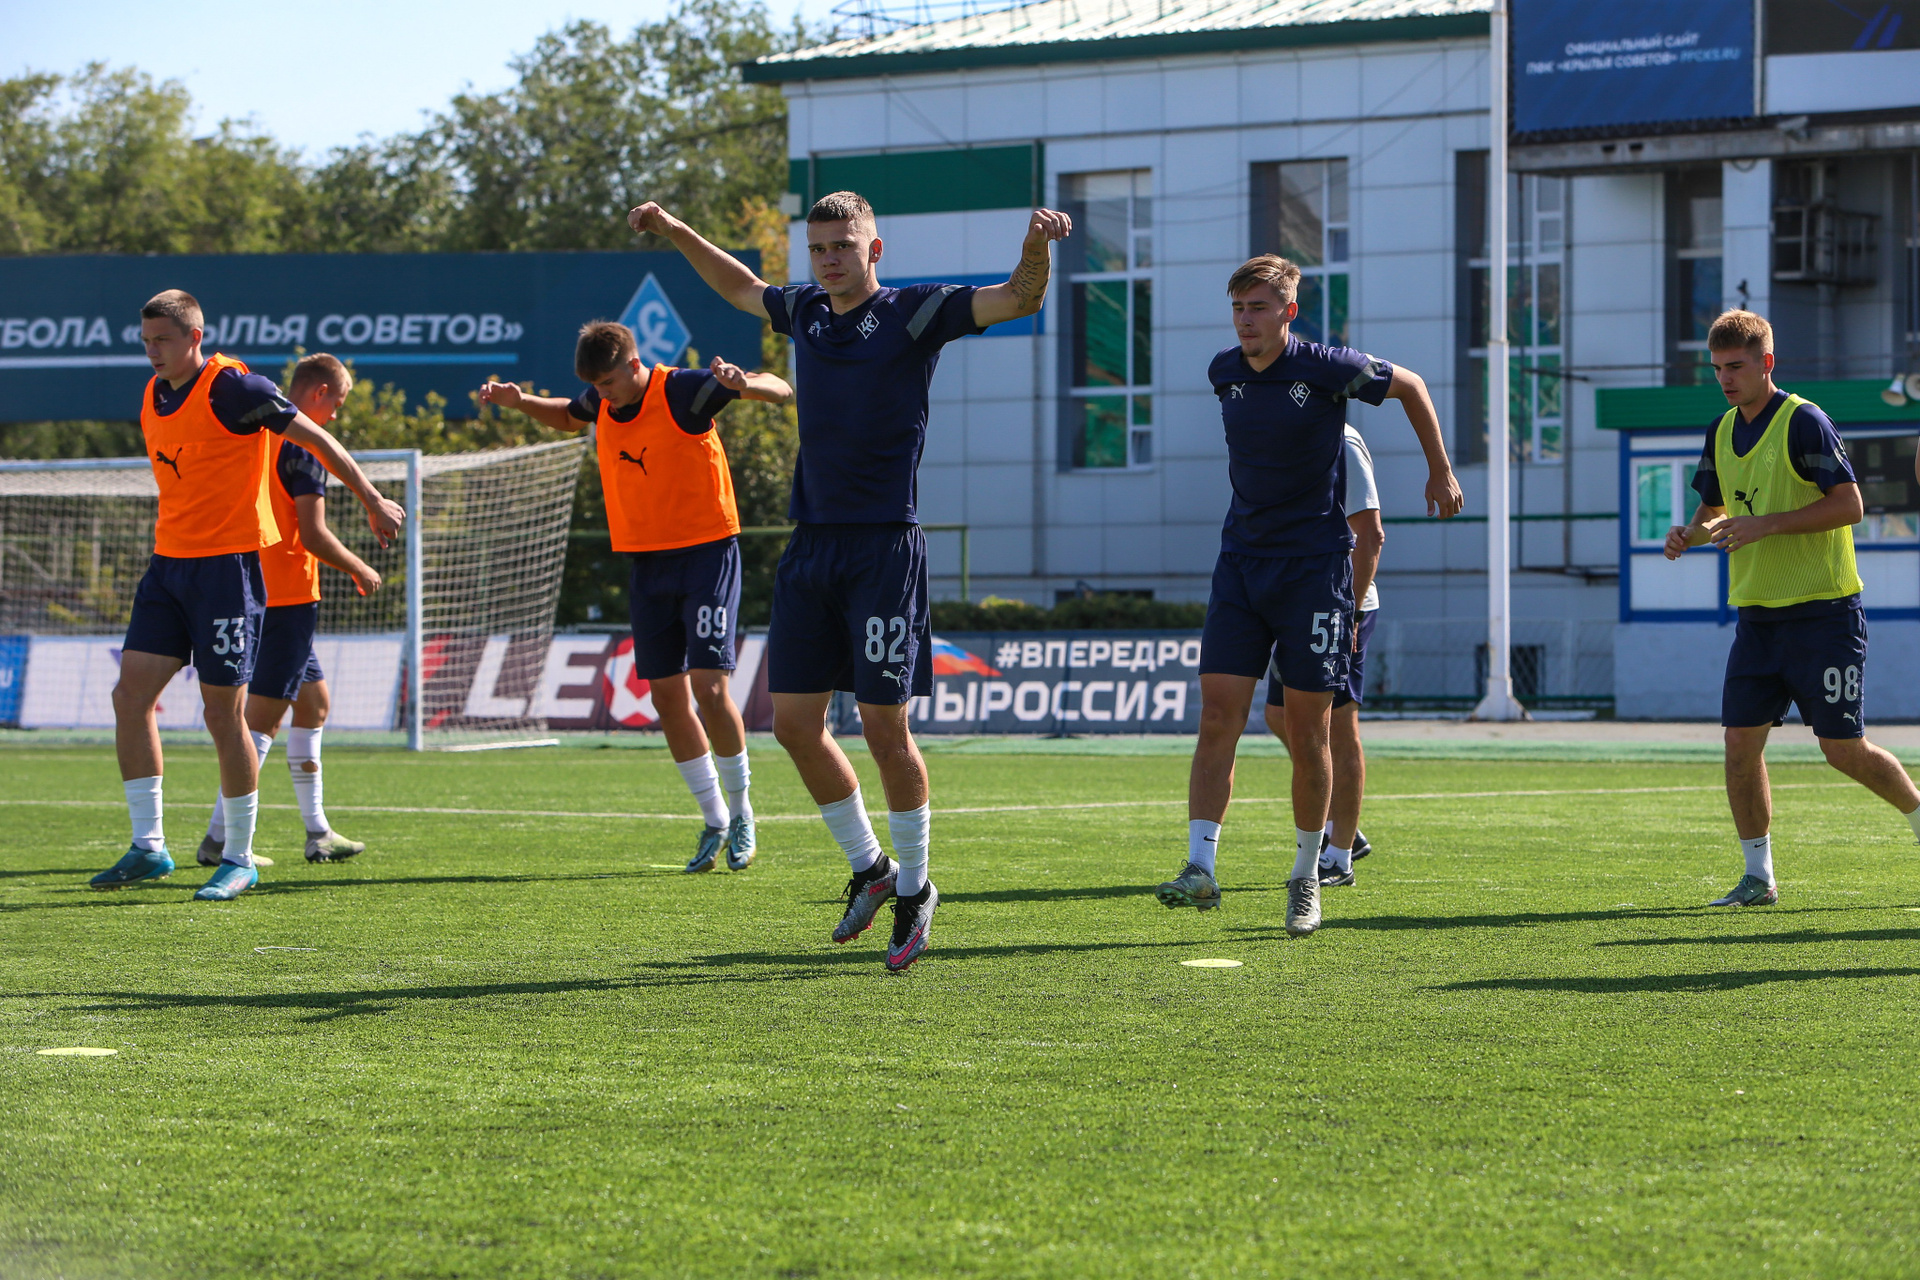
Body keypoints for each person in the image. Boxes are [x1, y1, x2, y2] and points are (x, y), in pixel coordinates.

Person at [629, 190, 1070, 970]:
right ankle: (872, 869)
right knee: (794, 725)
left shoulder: (915, 311)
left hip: (883, 549)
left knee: (883, 728)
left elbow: (1017, 298)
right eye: (820, 247)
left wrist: (1036, 244)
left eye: (844, 245)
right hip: (811, 548)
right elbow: (738, 285)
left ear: (875, 249)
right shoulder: (804, 310)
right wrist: (673, 228)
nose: (830, 258)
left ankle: (917, 889)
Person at [1156, 255, 1461, 936]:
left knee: (1308, 728)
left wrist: (1439, 471)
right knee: (1218, 717)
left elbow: (1411, 385)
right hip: (1240, 565)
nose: (1245, 321)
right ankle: (1200, 867)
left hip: (1314, 572)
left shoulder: (1327, 367)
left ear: (1288, 312)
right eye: (1238, 309)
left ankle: (1306, 876)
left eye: (1259, 308)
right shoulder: (1223, 371)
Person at [89, 290, 404, 900]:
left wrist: (371, 499)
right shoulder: (154, 393)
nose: (152, 352)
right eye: (147, 341)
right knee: (129, 697)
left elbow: (316, 439)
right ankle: (148, 847)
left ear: (195, 337)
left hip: (227, 572)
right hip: (167, 569)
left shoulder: (236, 388)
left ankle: (237, 856)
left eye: (163, 340)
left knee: (223, 716)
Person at [480, 321, 791, 872]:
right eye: (594, 386)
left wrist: (745, 383)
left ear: (632, 363)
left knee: (709, 688)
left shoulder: (681, 390)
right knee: (666, 697)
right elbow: (567, 415)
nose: (601, 394)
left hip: (706, 554)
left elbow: (781, 388)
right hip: (646, 562)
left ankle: (743, 812)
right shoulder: (602, 400)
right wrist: (520, 401)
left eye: (607, 382)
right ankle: (714, 819)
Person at [1664, 308, 1920, 907]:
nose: (1725, 379)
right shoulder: (1720, 429)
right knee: (1739, 747)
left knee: (1843, 751)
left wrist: (1766, 524)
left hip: (1824, 614)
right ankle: (1758, 877)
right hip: (1756, 618)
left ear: (1767, 363)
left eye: (1736, 367)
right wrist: (1689, 535)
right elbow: (1716, 511)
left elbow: (1850, 506)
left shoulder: (1805, 421)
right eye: (1717, 369)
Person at [198, 354, 380, 869]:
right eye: (337, 404)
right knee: (258, 725)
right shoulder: (303, 448)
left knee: (314, 704)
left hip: (252, 590)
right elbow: (314, 535)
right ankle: (218, 839)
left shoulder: (254, 435)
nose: (335, 416)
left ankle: (318, 831)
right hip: (288, 599)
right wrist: (359, 566)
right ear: (319, 393)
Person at [1264, 422, 1383, 887]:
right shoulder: (1280, 435)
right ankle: (1337, 817)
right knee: (1280, 715)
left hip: (1340, 605)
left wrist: (1349, 611)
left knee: (1338, 727)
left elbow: (1370, 535)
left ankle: (1340, 853)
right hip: (1297, 602)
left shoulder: (1342, 441)